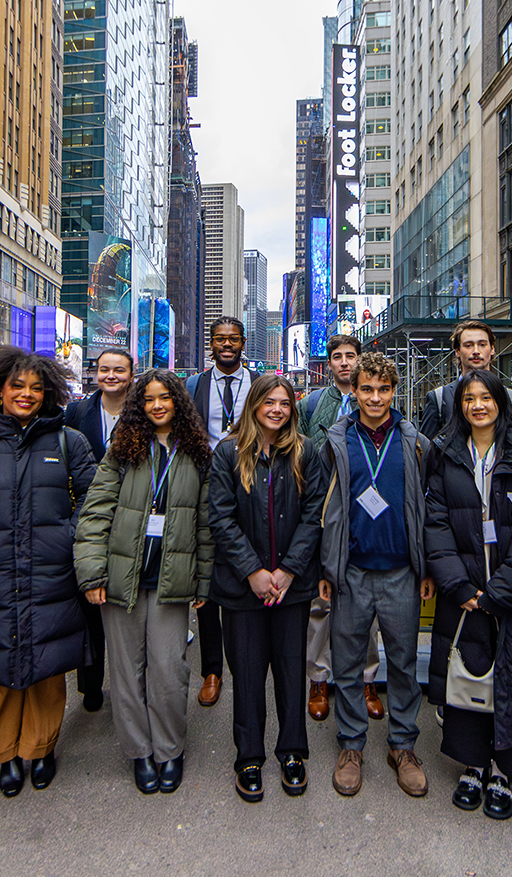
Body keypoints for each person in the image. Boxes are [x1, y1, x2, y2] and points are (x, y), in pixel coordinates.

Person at [0, 348, 96, 798]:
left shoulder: (69, 442)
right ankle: (2, 754)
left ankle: (41, 748)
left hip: (53, 569)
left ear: (48, 393)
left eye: (36, 388)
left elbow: (93, 500)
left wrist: (69, 537)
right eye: (17, 386)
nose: (26, 395)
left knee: (48, 664)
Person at [425, 370, 512, 820]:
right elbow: (435, 522)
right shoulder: (445, 453)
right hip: (464, 591)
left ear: (501, 401)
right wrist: (460, 587)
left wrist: (498, 593)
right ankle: (473, 765)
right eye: (468, 399)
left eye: (486, 397)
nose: (477, 405)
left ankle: (505, 770)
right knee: (471, 676)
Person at [74, 370, 213, 796]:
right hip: (121, 579)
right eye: (148, 399)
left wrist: (203, 583)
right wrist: (92, 572)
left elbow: (206, 525)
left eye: (165, 398)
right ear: (139, 405)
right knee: (127, 673)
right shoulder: (123, 448)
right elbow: (95, 514)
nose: (157, 405)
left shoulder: (197, 452)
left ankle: (170, 749)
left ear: (178, 403)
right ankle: (139, 752)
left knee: (170, 671)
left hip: (172, 581)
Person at [318, 352, 435, 799]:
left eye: (384, 389)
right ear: (356, 389)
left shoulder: (415, 441)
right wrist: (328, 567)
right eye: (366, 388)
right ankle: (351, 745)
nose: (374, 397)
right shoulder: (335, 440)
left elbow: (425, 507)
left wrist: (424, 566)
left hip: (402, 572)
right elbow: (323, 509)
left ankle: (403, 746)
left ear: (395, 391)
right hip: (350, 572)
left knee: (403, 664)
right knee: (346, 665)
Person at [208, 375, 326, 802]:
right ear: (254, 404)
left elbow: (315, 514)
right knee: (249, 675)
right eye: (269, 402)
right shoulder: (227, 452)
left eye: (285, 403)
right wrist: (253, 571)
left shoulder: (305, 452)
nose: (278, 409)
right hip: (243, 589)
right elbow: (220, 518)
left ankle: (292, 752)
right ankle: (249, 757)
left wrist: (289, 570)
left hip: (290, 587)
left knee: (292, 672)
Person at [299, 334, 383, 723]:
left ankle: (367, 678)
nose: (345, 363)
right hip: (322, 511)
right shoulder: (313, 405)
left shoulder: (376, 402)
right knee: (321, 601)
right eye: (338, 357)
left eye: (352, 356)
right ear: (328, 363)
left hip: (365, 514)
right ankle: (318, 677)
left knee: (364, 600)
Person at [186, 316, 265, 707]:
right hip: (205, 487)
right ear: (211, 343)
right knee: (209, 574)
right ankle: (212, 669)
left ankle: (247, 659)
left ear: (244, 342)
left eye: (233, 339)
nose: (227, 345)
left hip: (250, 485)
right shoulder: (195, 385)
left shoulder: (260, 384)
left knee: (246, 564)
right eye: (220, 339)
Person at [63, 349, 135, 713]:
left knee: (124, 602)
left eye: (119, 370)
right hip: (88, 512)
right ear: (94, 374)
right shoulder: (77, 413)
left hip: (133, 512)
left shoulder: (142, 411)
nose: (111, 376)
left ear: (130, 374)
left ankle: (129, 685)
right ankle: (91, 684)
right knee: (89, 600)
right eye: (105, 369)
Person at [417, 320, 512, 441]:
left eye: (482, 344)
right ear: (457, 351)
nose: (476, 351)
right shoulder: (439, 399)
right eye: (468, 345)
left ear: (492, 349)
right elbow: (427, 450)